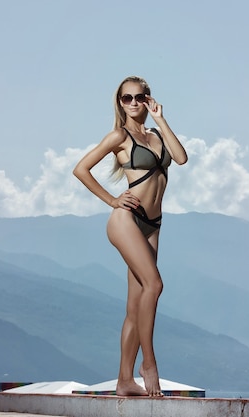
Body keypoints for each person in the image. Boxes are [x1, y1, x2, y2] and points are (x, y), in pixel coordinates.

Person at [73, 76, 188, 397]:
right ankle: (148, 364)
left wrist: (161, 120)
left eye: (141, 97)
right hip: (126, 219)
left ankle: (124, 380)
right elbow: (80, 169)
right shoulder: (118, 136)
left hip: (153, 223)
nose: (134, 103)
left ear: (149, 99)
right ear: (119, 101)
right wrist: (111, 200)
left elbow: (180, 158)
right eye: (127, 98)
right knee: (155, 285)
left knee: (137, 302)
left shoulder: (154, 134)